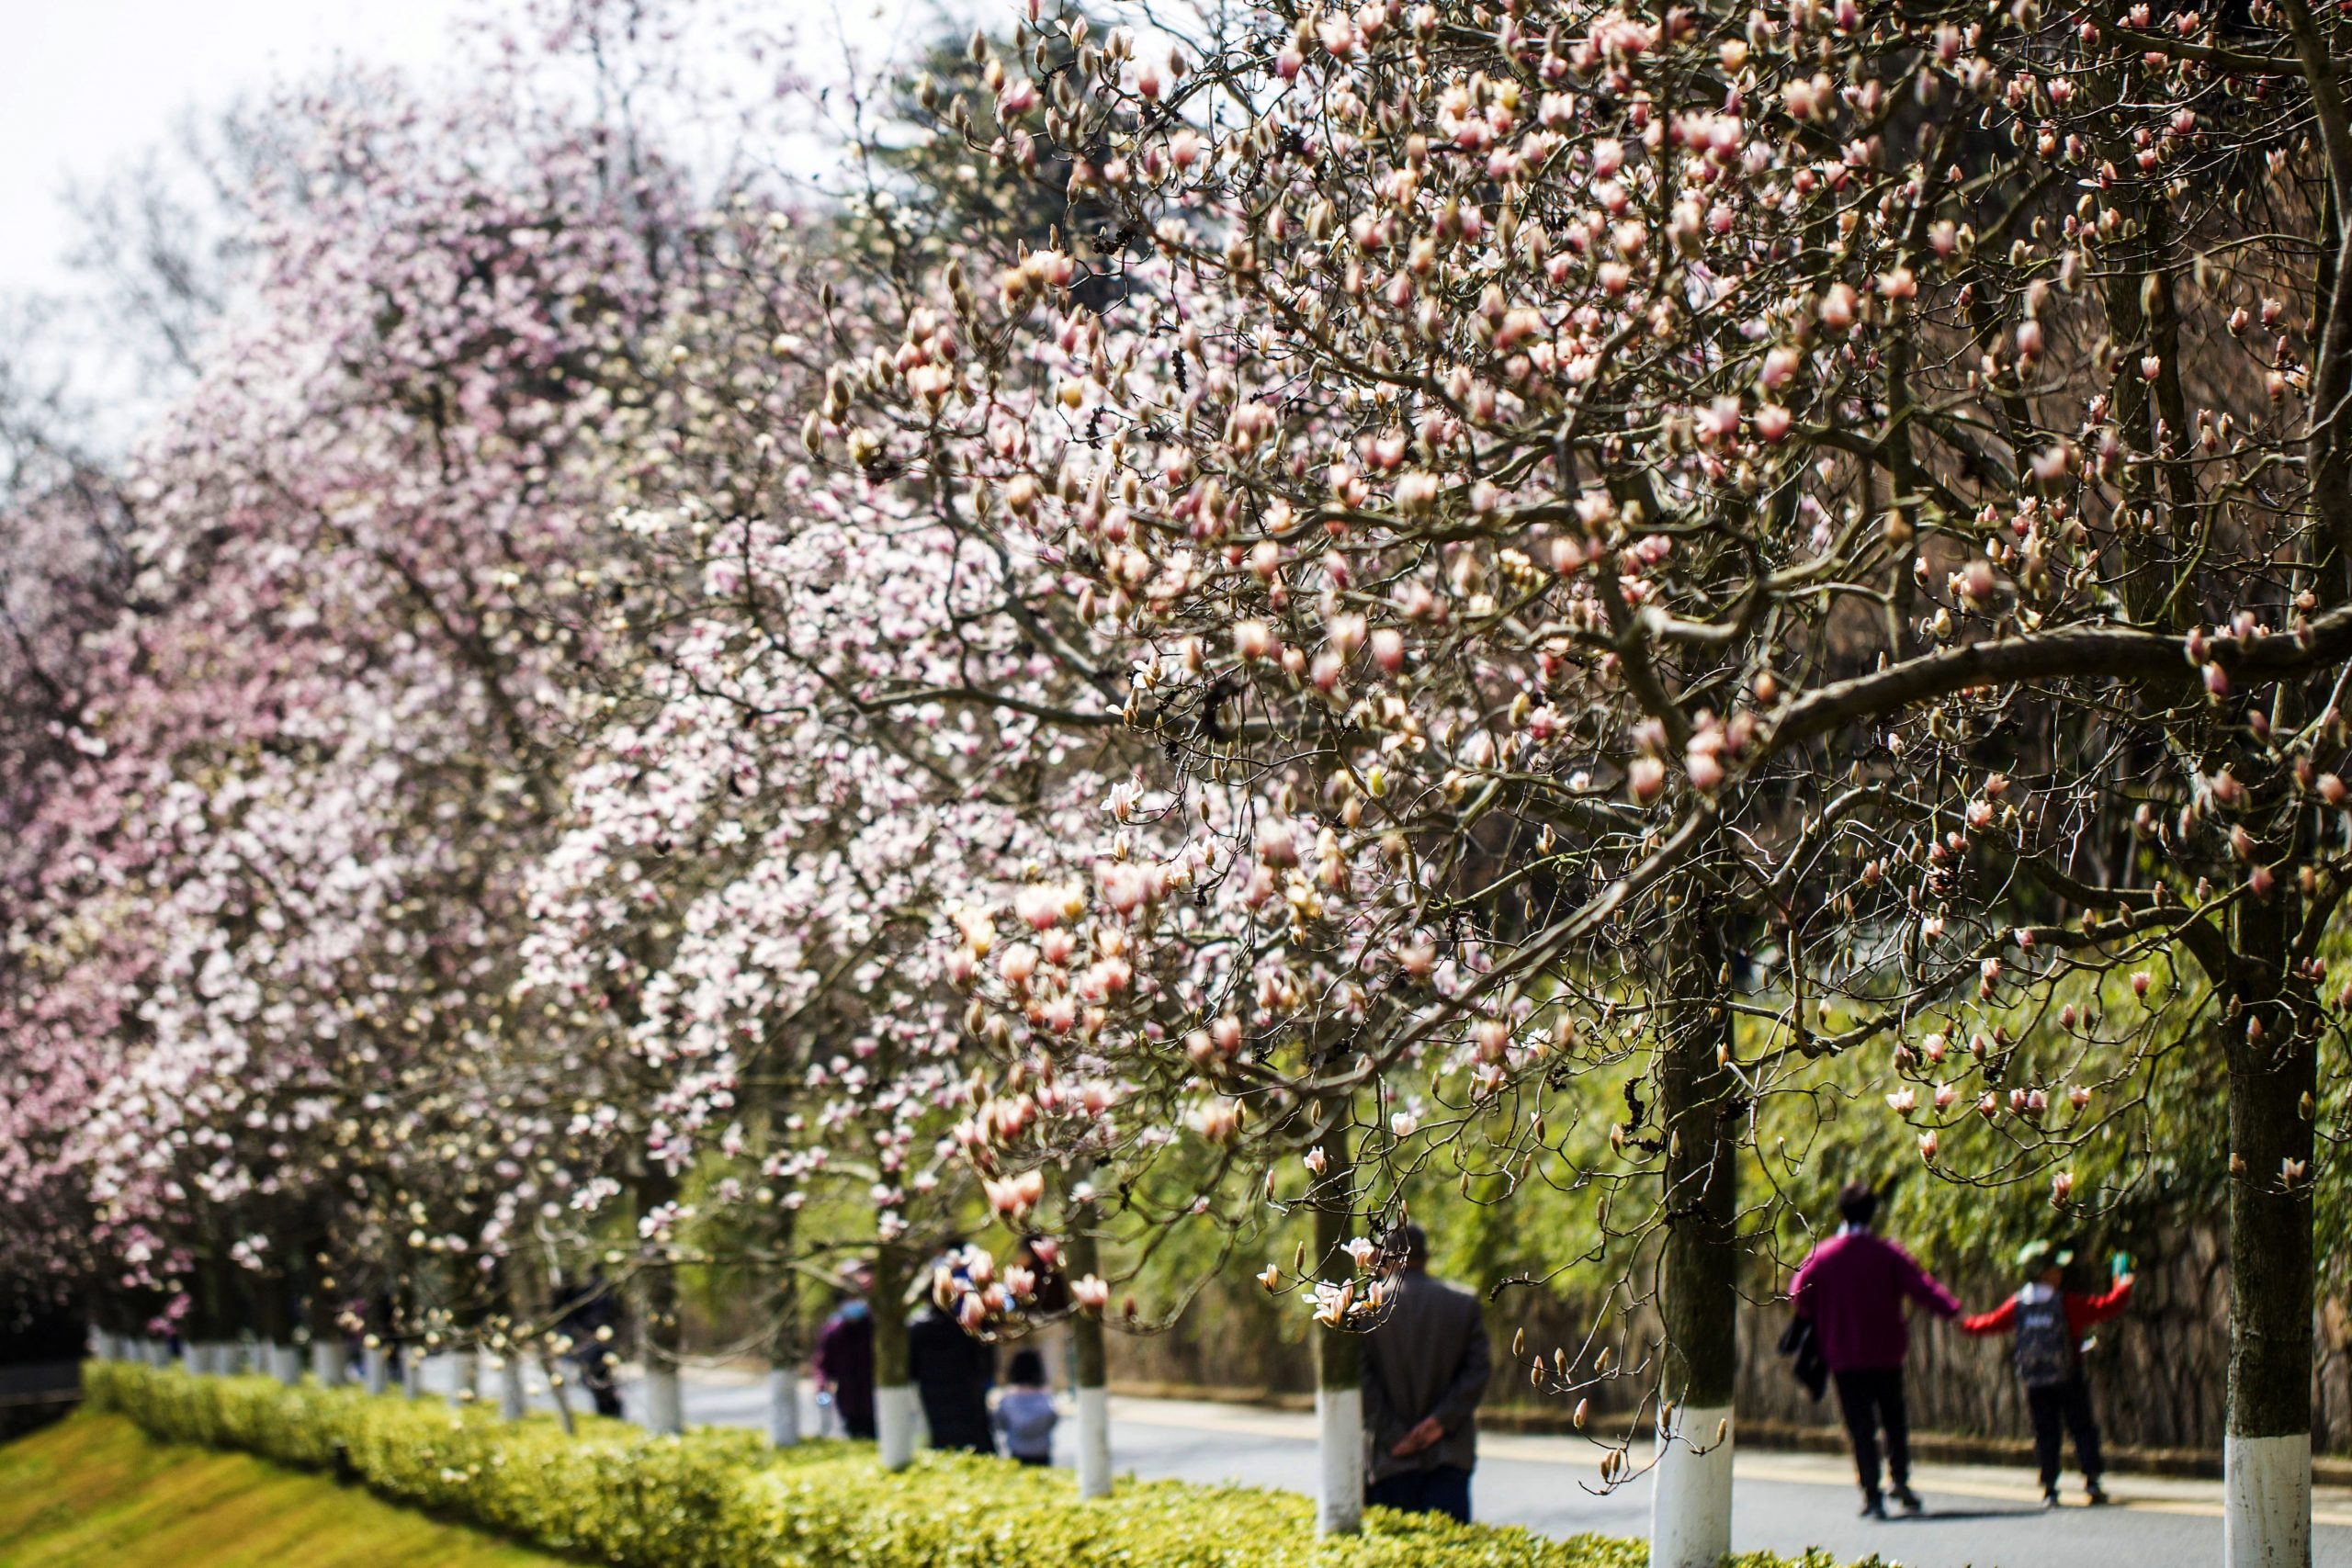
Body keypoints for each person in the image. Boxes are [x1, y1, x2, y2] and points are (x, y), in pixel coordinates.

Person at [1790, 1179, 1962, 1518]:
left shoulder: (1823, 1257)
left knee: (1860, 1426)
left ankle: (1872, 1494)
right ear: (1873, 1214)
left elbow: (1799, 1295)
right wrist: (1955, 1313)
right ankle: (1900, 1479)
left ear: (1841, 1212)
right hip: (1886, 1352)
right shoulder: (1887, 1254)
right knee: (1894, 1418)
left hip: (1844, 1355)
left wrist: (1826, 1314)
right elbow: (1923, 1288)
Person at [1961, 1240, 2133, 1508]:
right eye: (2056, 1267)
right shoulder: (2065, 1303)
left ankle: (2050, 1487)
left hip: (2036, 1380)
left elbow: (1989, 1323)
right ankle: (2092, 1479)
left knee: (2046, 1432)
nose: (2060, 1272)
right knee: (2081, 1427)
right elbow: (2106, 1306)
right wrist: (2123, 1283)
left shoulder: (2019, 1304)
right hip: (2068, 1375)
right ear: (2045, 1272)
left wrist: (1964, 1322)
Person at [1360, 1222, 1492, 1523]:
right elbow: (1477, 1371)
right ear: (1427, 1256)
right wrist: (1439, 1423)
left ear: (1383, 1258)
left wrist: (1395, 1436)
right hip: (1448, 1452)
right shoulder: (1462, 1303)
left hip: (1391, 1458)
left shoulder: (1367, 1311)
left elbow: (1363, 1383)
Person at [813, 1268, 877, 1440]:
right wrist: (822, 1388)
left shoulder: (876, 1327)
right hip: (848, 1401)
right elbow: (823, 1364)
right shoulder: (833, 1332)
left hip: (876, 1399)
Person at [552, 1272, 625, 1418]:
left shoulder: (587, 1295)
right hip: (593, 1341)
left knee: (599, 1378)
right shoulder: (584, 1294)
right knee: (597, 1379)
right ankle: (608, 1409)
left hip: (594, 1342)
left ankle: (610, 1409)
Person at [995, 1347, 1058, 1466]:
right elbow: (1053, 1419)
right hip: (1042, 1450)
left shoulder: (1007, 1398)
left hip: (1017, 1450)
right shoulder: (1045, 1396)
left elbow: (1000, 1424)